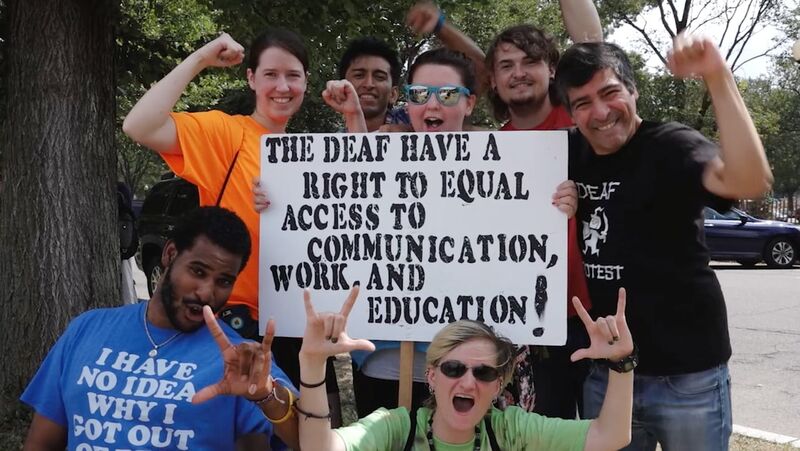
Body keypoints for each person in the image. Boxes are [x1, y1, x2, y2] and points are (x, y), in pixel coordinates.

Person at [314, 47, 578, 417]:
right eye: (420, 95)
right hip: (389, 361)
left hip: (473, 365)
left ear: (469, 103)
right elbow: (352, 197)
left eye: (448, 94)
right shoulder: (388, 147)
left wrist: (559, 205)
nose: (432, 105)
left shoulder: (514, 163)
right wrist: (275, 199)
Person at [555, 36, 773, 450]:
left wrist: (717, 75)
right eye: (582, 103)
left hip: (687, 376)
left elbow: (748, 181)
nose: (600, 113)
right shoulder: (564, 153)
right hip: (610, 373)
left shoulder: (672, 145)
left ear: (634, 91)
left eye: (610, 93)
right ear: (570, 113)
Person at [122, 29, 347, 425]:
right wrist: (201, 58)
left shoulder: (311, 157)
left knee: (308, 433)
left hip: (299, 327)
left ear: (306, 82)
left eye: (293, 76)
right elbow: (138, 126)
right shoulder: (227, 134)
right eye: (271, 74)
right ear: (251, 79)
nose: (282, 86)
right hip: (235, 325)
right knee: (235, 434)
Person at [406, 0, 602, 418]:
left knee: (600, 436)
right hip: (528, 322)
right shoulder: (493, 147)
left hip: (591, 314)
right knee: (544, 430)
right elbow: (486, 67)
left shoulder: (580, 116)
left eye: (531, 62)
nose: (518, 72)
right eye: (507, 66)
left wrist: (442, 26)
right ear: (492, 82)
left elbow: (591, 44)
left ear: (553, 70)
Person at [20, 207, 300, 450]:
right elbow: (42, 443)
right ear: (169, 254)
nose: (206, 292)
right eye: (198, 271)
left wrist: (266, 396)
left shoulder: (237, 359)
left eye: (224, 281)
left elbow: (311, 441)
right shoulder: (87, 329)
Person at [295, 284, 634, 450]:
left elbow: (612, 436)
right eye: (454, 369)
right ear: (431, 375)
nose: (468, 382)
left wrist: (622, 363)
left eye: (484, 372)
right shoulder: (398, 428)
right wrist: (311, 365)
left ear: (500, 384)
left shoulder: (509, 430)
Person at [338, 36, 410, 132]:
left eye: (379, 77)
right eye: (359, 75)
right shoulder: (327, 144)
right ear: (342, 88)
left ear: (393, 94)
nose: (369, 84)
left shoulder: (416, 122)